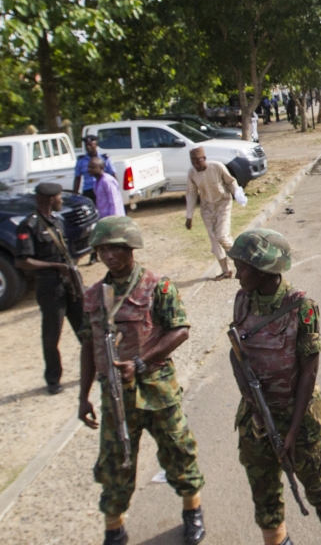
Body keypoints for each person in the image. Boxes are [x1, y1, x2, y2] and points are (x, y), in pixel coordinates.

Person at [77, 216, 206, 545]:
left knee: (178, 451)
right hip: (115, 395)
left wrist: (140, 361)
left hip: (157, 389)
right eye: (103, 249)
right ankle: (114, 527)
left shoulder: (156, 285)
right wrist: (83, 396)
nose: (109, 256)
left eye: (116, 249)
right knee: (115, 461)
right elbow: (89, 348)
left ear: (131, 248)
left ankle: (192, 511)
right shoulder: (93, 296)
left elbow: (180, 330)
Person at [227, 229, 321, 545]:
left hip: (299, 415)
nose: (236, 273)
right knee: (264, 489)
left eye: (242, 267)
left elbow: (309, 373)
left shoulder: (302, 307)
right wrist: (249, 397)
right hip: (256, 416)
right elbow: (235, 351)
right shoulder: (242, 301)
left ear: (263, 268)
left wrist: (292, 432)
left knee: (320, 486)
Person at [14, 182, 84, 395]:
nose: (61, 200)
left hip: (69, 282)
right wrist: (56, 267)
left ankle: (99, 366)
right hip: (49, 286)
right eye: (59, 197)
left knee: (85, 328)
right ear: (49, 199)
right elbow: (23, 261)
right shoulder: (29, 226)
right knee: (52, 335)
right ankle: (53, 379)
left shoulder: (57, 221)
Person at [185, 146, 238, 280]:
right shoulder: (192, 173)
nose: (196, 165)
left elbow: (231, 181)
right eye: (193, 162)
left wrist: (238, 195)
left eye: (198, 161)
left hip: (223, 204)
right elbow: (191, 194)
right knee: (214, 239)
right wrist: (189, 216)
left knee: (222, 236)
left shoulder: (217, 166)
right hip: (207, 207)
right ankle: (226, 270)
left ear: (204, 158)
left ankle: (243, 261)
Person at [73, 134, 116, 200]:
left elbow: (113, 174)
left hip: (103, 188)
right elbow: (77, 178)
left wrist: (115, 190)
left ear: (96, 145)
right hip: (88, 190)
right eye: (86, 145)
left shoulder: (104, 158)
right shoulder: (81, 160)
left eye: (90, 144)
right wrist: (75, 194)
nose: (88, 147)